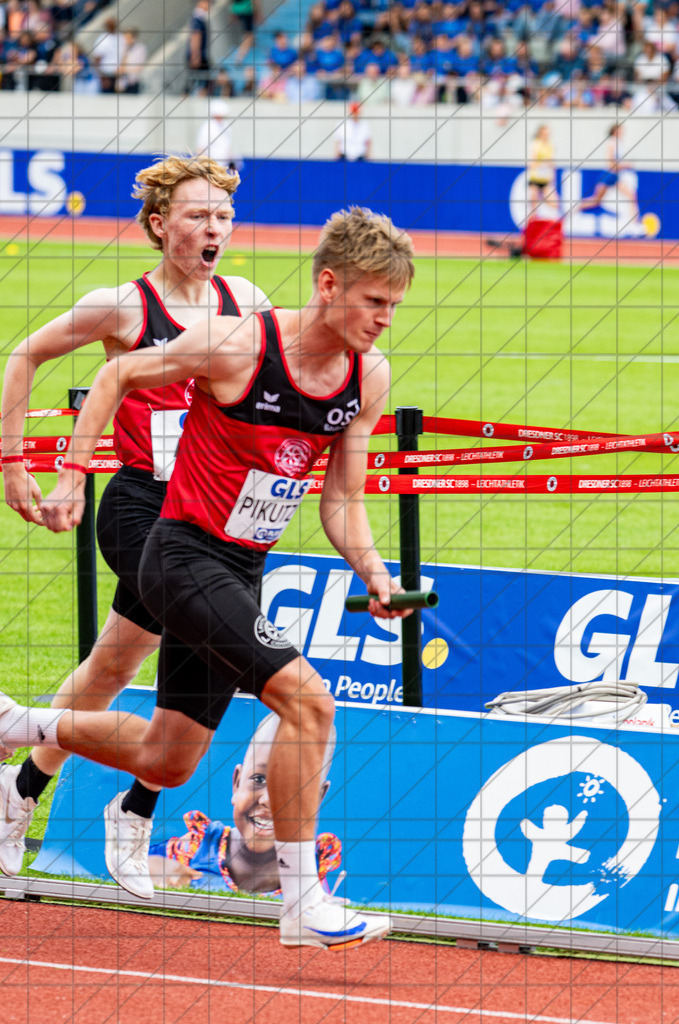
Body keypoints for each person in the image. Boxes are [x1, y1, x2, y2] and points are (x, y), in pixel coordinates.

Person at [0, 205, 415, 950]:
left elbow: (342, 500)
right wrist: (72, 473)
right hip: (180, 554)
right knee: (309, 703)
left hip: (241, 570)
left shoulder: (368, 376)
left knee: (169, 758)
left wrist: (375, 571)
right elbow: (120, 370)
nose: (385, 319)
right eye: (374, 301)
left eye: (394, 305)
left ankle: (16, 725)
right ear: (329, 284)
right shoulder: (240, 343)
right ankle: (300, 901)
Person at [0, 155, 270, 895]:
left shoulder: (244, 299)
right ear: (158, 225)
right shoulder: (122, 306)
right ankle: (132, 808)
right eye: (195, 215)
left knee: (115, 667)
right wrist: (21, 464)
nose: (212, 228)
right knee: (211, 632)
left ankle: (22, 792)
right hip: (142, 505)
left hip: (217, 510)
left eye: (221, 215)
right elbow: (24, 355)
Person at [149, 712, 342, 894]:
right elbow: (126, 866)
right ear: (237, 783)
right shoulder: (193, 852)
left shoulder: (312, 877)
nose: (268, 801)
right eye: (259, 779)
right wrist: (152, 865)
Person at [579, 124, 642, 231]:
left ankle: (634, 225)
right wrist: (625, 165)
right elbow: (611, 162)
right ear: (614, 131)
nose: (622, 132)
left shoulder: (620, 143)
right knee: (596, 200)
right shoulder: (612, 142)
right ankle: (574, 209)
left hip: (616, 176)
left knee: (631, 196)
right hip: (608, 174)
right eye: (619, 130)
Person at [527, 124, 558, 218]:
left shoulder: (550, 145)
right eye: (545, 133)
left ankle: (551, 224)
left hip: (545, 179)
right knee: (533, 206)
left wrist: (553, 176)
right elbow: (532, 162)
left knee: (554, 202)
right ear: (540, 134)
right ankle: (530, 227)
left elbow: (552, 163)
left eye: (548, 134)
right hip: (535, 178)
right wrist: (542, 164)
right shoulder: (535, 144)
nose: (546, 135)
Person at [195, 98, 234, 168]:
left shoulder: (226, 126)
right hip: (210, 165)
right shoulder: (207, 127)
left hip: (223, 166)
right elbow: (201, 148)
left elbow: (228, 146)